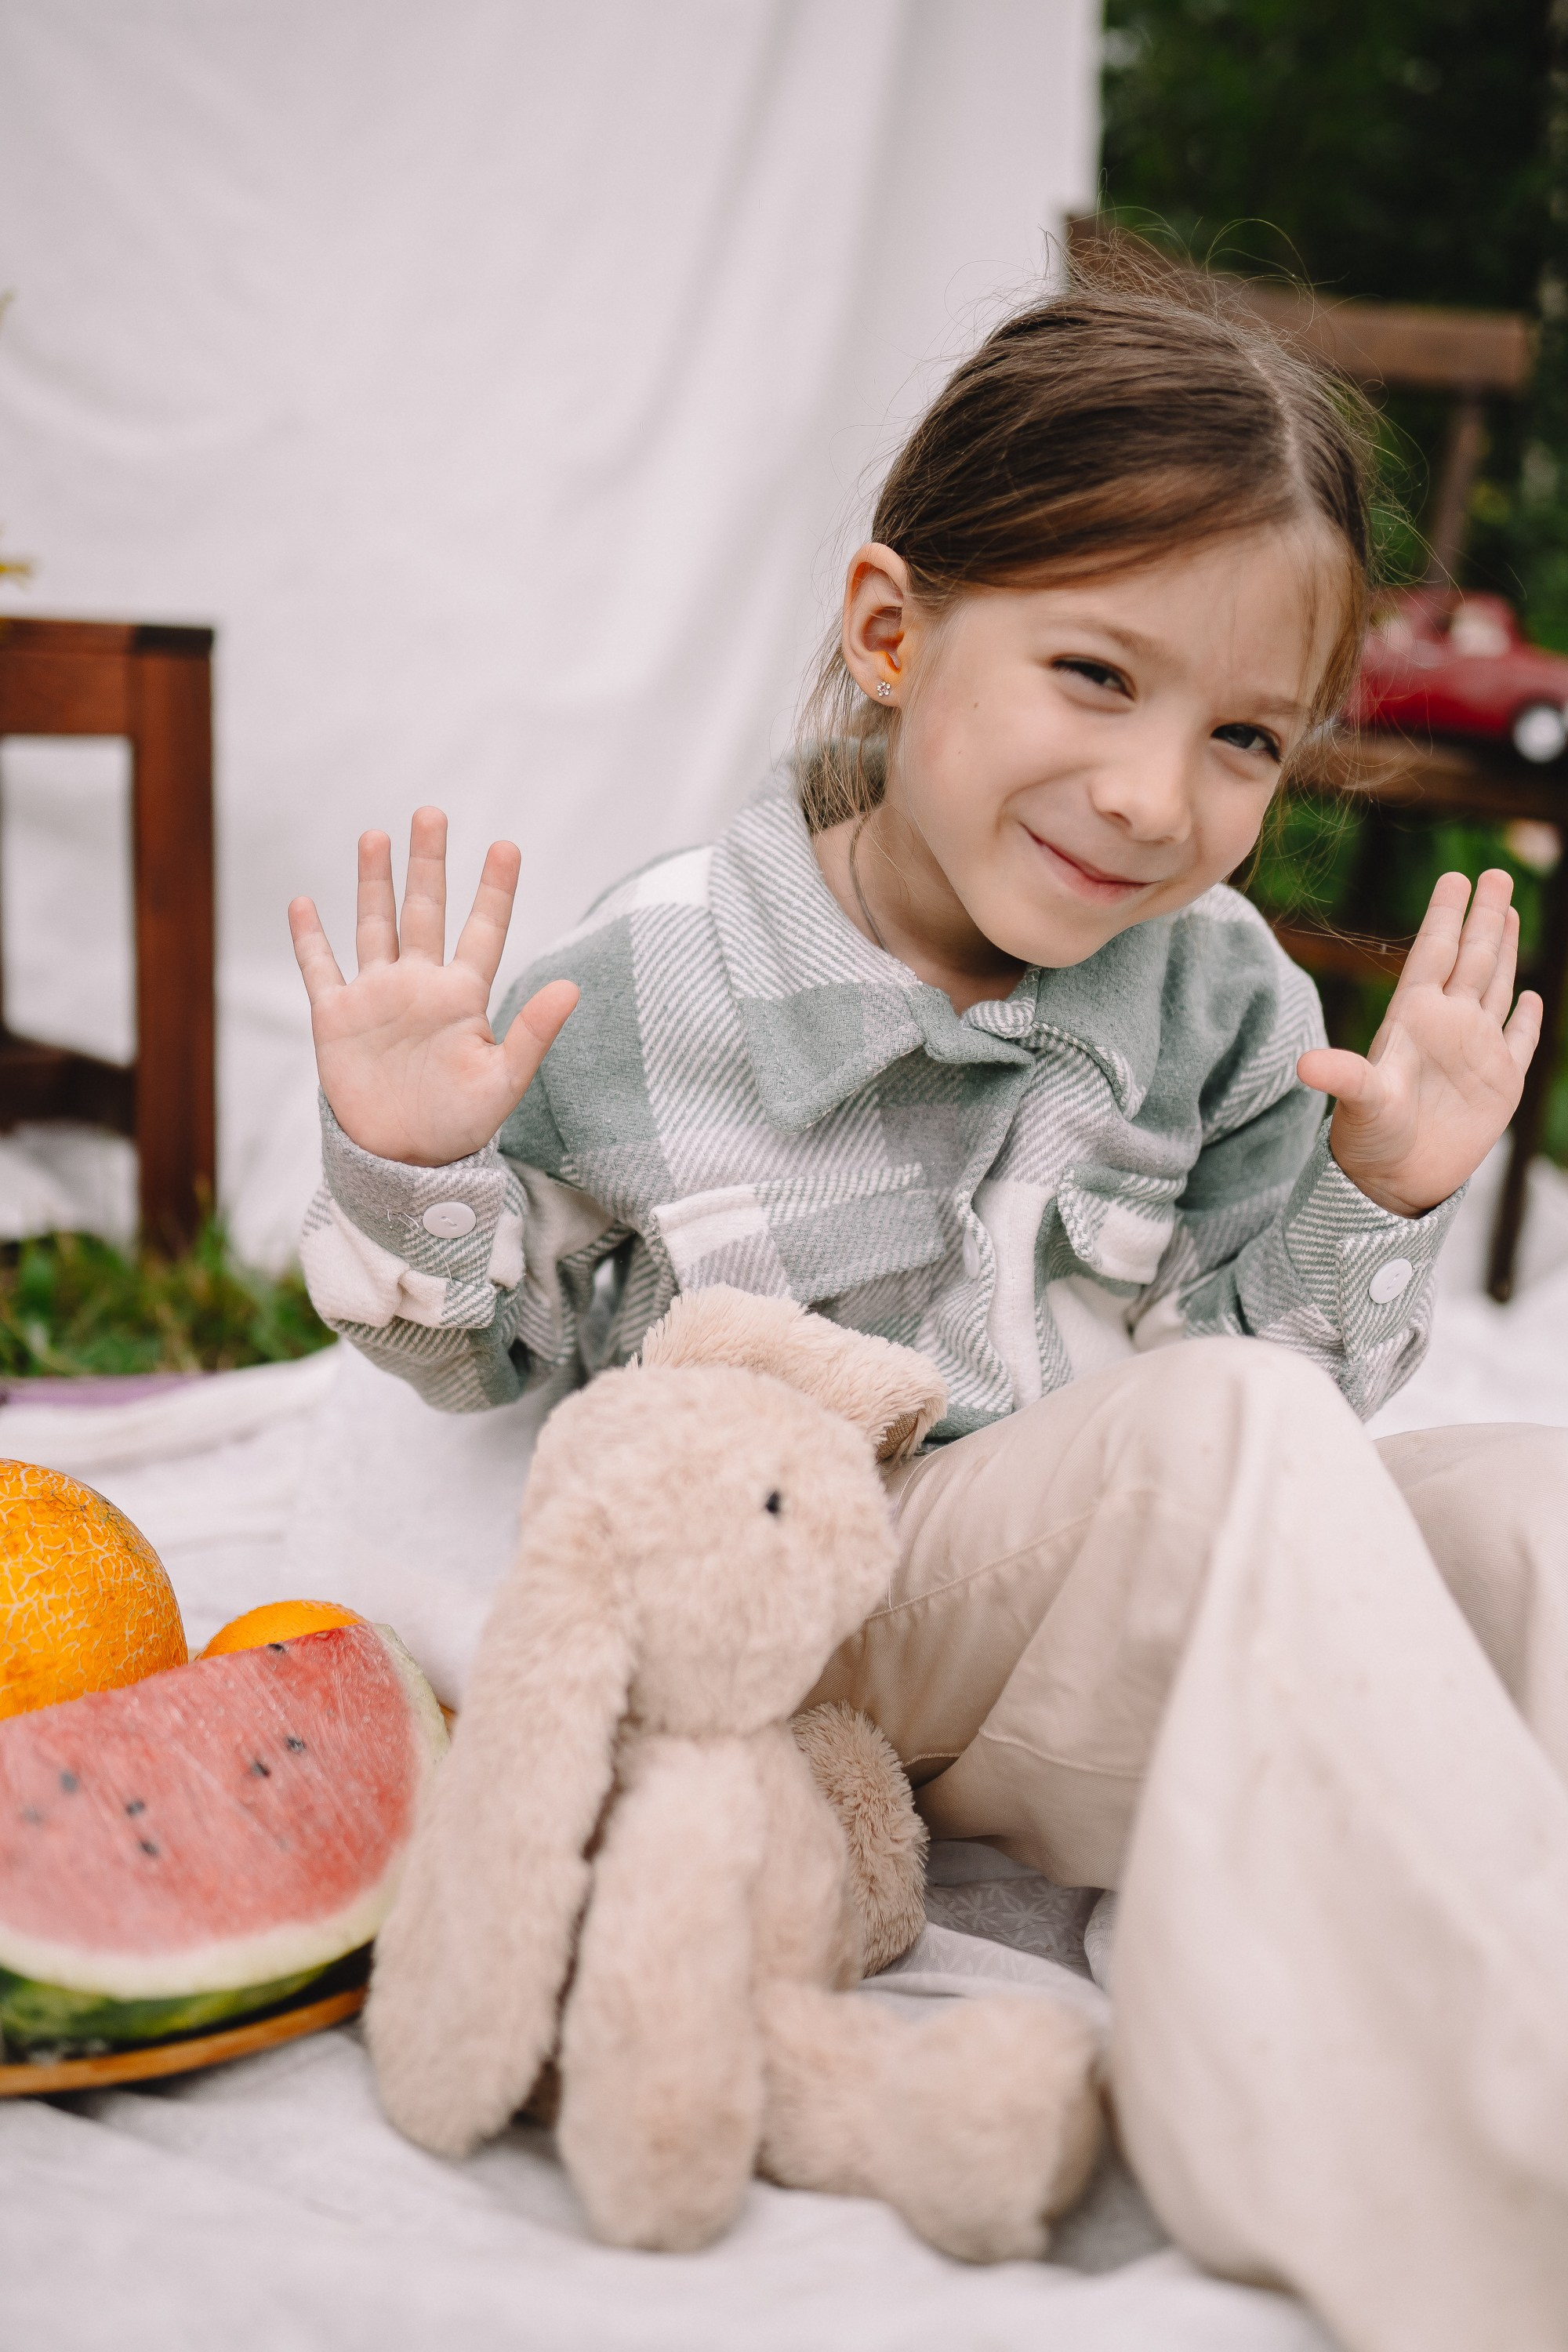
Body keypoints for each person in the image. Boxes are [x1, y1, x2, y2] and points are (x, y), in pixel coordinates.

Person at [289, 272, 1568, 2352]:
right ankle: (1454, 2170)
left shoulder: (1222, 991)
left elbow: (1301, 1395)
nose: (1157, 795)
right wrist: (422, 1163)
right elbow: (484, 1351)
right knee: (1219, 1429)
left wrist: (1377, 1193)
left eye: (1241, 737)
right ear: (896, 636)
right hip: (838, 1626)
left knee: (1531, 1502)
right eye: (1094, 675)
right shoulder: (666, 974)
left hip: (1097, 1635)